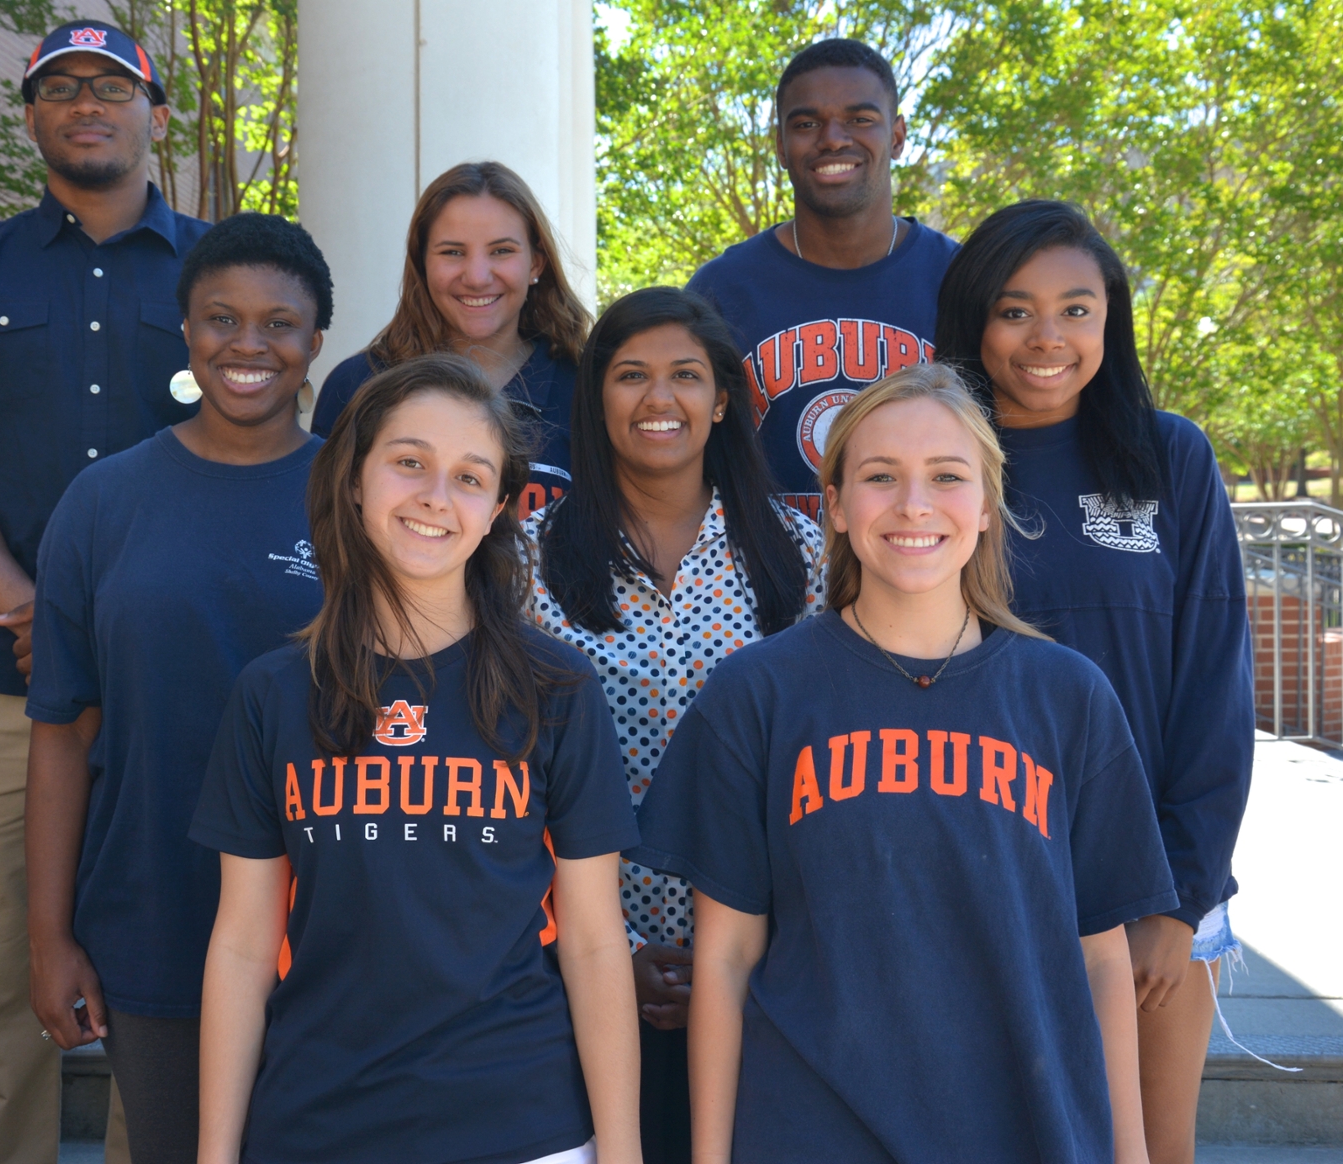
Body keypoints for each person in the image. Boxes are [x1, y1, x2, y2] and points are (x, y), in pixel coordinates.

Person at [630, 363, 1179, 1164]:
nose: (914, 504)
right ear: (838, 507)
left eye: (947, 476)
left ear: (987, 507)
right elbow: (726, 956)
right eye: (881, 476)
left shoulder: (1068, 697)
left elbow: (1101, 959)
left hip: (1024, 1128)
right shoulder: (761, 692)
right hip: (811, 1130)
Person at [0, 19, 207, 1162]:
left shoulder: (222, 268)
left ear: (155, 113)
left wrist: (113, 635)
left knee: (161, 992)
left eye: (111, 86)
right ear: (30, 117)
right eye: (59, 87)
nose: (86, 103)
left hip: (177, 697)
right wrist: (38, 618)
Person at [190, 355, 643, 1164]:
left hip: (523, 1127)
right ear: (356, 478)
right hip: (318, 1126)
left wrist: (623, 1151)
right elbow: (242, 946)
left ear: (499, 507)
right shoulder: (273, 694)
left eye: (471, 477)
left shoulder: (557, 689)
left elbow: (594, 940)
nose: (437, 495)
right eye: (409, 462)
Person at [933, 199, 1254, 1164]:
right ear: (973, 321)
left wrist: (1177, 899)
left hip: (1152, 883)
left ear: (1109, 320)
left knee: (1150, 1150)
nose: (1048, 338)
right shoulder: (939, 465)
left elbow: (1213, 683)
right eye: (1016, 309)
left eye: (1077, 310)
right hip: (985, 872)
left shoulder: (1170, 457)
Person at [23, 213, 330, 1163]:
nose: (249, 345)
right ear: (185, 331)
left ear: (317, 341)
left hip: (336, 922)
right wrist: (49, 937)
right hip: (156, 913)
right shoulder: (104, 501)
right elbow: (64, 735)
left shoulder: (358, 498)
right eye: (221, 319)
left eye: (280, 324)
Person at [525, 286, 825, 1163]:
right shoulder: (523, 562)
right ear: (596, 398)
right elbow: (514, 772)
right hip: (575, 959)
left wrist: (742, 953)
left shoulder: (797, 555)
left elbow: (818, 767)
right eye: (631, 376)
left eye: (686, 376)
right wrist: (615, 949)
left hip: (767, 967)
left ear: (723, 399)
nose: (660, 400)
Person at [686, 38, 959, 523]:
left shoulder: (960, 278)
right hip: (763, 588)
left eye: (860, 119)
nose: (833, 138)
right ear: (780, 146)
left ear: (897, 136)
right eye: (807, 123)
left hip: (920, 574)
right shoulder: (721, 290)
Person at [309, 161, 591, 519]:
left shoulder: (585, 392)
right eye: (452, 252)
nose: (476, 277)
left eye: (501, 251)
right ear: (421, 262)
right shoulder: (357, 386)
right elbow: (322, 542)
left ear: (536, 263)